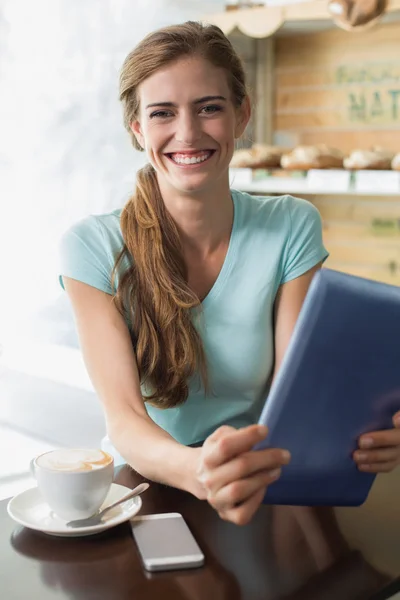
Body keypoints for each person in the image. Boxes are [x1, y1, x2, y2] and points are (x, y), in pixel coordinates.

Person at [59, 21, 400, 526]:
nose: (188, 133)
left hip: (264, 477)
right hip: (149, 488)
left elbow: (298, 387)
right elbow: (127, 421)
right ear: (138, 130)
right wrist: (200, 470)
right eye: (162, 114)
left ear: (242, 115)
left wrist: (366, 429)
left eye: (209, 107)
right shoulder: (92, 246)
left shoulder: (290, 225)